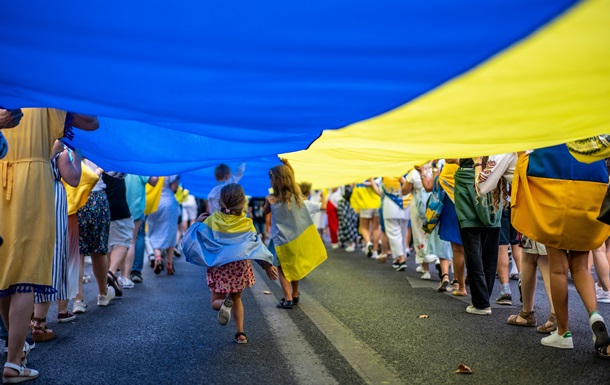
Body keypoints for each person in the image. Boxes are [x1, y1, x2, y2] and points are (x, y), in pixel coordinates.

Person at [1, 108, 98, 383]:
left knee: (3, 266)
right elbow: (92, 121)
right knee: (27, 271)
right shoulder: (44, 98)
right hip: (32, 181)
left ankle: (15, 348)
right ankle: (13, 361)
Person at [511, 144, 610, 357]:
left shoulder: (550, 129)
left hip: (551, 191)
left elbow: (527, 157)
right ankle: (595, 315)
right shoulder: (589, 130)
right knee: (581, 267)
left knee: (557, 270)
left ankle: (563, 333)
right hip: (589, 188)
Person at [182, 184, 277, 343]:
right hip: (238, 267)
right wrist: (267, 265)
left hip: (220, 267)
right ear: (242, 202)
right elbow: (256, 246)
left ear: (220, 201)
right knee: (237, 299)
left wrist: (197, 223)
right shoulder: (246, 222)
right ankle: (241, 334)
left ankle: (224, 305)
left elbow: (192, 239)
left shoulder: (212, 220)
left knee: (215, 302)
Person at [31, 140, 82, 342]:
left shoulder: (28, 138)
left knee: (31, 253)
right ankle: (39, 322)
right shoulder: (60, 146)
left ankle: (28, 316)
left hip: (28, 192)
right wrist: (77, 155)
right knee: (51, 255)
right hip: (51, 195)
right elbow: (74, 178)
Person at [264, 159, 327, 309]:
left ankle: (288, 298)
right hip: (297, 239)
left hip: (281, 241)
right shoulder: (297, 196)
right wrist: (287, 165)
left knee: (282, 268)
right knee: (294, 266)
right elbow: (291, 177)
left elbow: (265, 212)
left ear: (274, 182)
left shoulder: (271, 199)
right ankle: (296, 293)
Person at [454, 157, 503, 315]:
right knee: (490, 252)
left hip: (467, 185)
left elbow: (450, 157)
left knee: (473, 251)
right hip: (495, 183)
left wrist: (474, 163)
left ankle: (481, 304)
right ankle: (484, 299)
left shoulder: (464, 139)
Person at [148, 175, 180, 275]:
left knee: (154, 230)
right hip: (168, 201)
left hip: (154, 201)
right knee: (170, 232)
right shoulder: (172, 170)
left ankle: (158, 257)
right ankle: (169, 264)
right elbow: (174, 187)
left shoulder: (153, 168)